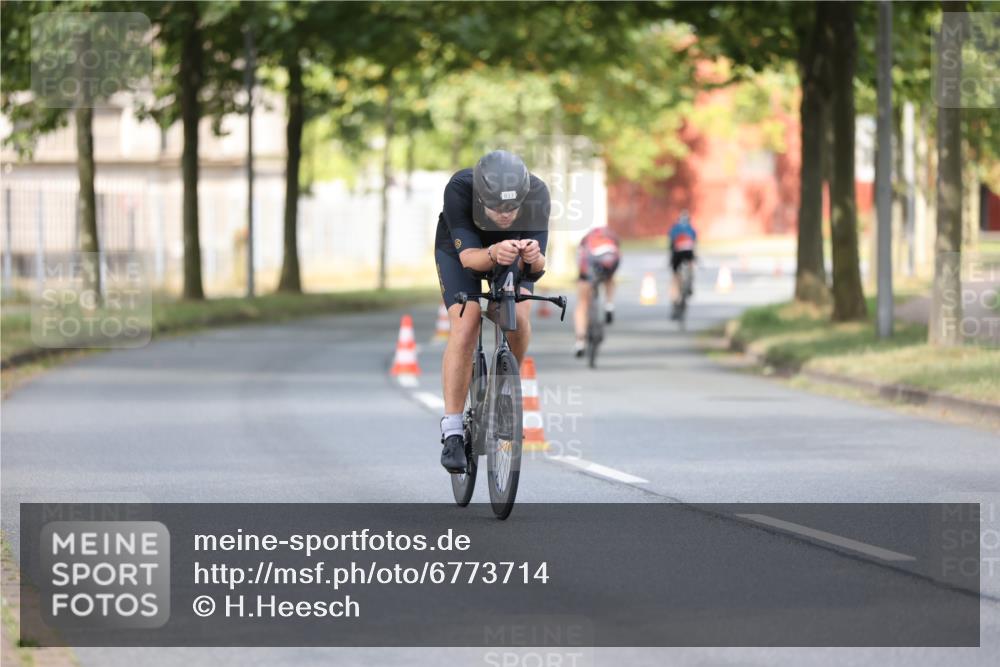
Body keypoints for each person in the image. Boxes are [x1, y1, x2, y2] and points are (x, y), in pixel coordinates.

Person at [434, 150, 550, 473]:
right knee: (467, 320)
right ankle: (453, 430)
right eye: (497, 208)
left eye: (512, 208)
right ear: (481, 199)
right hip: (463, 252)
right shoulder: (460, 189)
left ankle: (503, 392)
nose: (505, 215)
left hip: (512, 254)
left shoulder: (537, 193)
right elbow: (470, 259)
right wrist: (494, 252)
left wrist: (533, 256)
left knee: (519, 319)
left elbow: (539, 266)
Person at [573, 226, 621, 357]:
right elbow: (618, 253)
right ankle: (609, 304)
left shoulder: (586, 240)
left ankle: (580, 341)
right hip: (610, 261)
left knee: (582, 304)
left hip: (589, 263)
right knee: (610, 278)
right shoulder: (612, 236)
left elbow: (580, 260)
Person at [668, 210, 697, 319]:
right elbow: (693, 243)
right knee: (690, 263)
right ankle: (690, 282)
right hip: (688, 251)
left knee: (675, 276)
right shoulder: (691, 229)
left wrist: (671, 259)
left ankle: (675, 297)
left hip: (677, 252)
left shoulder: (674, 228)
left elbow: (671, 243)